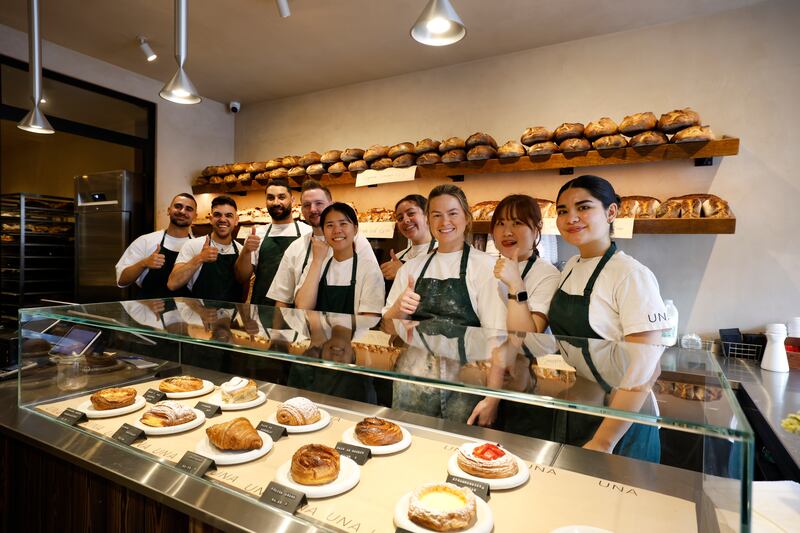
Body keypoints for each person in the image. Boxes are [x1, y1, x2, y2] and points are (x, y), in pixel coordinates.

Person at [548, 174, 669, 461]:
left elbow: (647, 369)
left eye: (584, 207)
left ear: (611, 212)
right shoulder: (571, 267)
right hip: (584, 405)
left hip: (622, 421)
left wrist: (604, 440)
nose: (571, 218)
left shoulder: (631, 274)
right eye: (563, 211)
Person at [383, 184, 506, 330]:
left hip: (469, 353)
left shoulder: (487, 267)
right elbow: (388, 328)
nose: (444, 222)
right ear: (428, 221)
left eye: (452, 213)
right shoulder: (411, 268)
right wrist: (399, 308)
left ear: (467, 218)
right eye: (436, 215)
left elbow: (496, 333)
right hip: (417, 352)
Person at [267, 179, 377, 306]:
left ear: (331, 205)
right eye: (307, 205)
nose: (313, 209)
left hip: (351, 324)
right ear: (301, 209)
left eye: (319, 203)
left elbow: (372, 287)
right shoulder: (296, 248)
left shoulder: (357, 242)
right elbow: (282, 299)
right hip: (303, 323)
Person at [294, 203, 385, 315]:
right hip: (316, 332)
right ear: (323, 231)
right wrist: (317, 261)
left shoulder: (370, 270)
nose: (337, 230)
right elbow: (303, 307)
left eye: (343, 224)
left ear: (355, 229)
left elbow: (369, 318)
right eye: (330, 225)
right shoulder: (316, 265)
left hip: (355, 332)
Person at [235, 178, 312, 305]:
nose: (276, 202)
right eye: (271, 198)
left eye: (282, 197)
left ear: (292, 200)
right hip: (262, 306)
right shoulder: (258, 233)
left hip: (296, 306)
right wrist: (246, 251)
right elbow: (241, 277)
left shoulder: (307, 232)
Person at [490, 194, 560, 333]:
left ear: (536, 228)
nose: (507, 232)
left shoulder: (548, 275)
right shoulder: (485, 266)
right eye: (501, 223)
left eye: (517, 223)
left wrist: (516, 284)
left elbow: (528, 337)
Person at [115, 193, 197, 298]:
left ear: (195, 216)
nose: (182, 211)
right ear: (169, 210)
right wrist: (144, 263)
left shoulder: (197, 247)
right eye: (178, 206)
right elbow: (122, 280)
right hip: (150, 312)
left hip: (184, 312)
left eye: (189, 209)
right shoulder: (146, 241)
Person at [168, 195, 244, 302]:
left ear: (236, 220)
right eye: (217, 215)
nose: (223, 219)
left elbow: (245, 288)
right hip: (199, 316)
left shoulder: (241, 251)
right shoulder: (193, 245)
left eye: (229, 215)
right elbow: (173, 283)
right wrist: (200, 258)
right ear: (211, 219)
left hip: (231, 317)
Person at [380, 194, 436, 282]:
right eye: (400, 218)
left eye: (411, 213)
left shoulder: (442, 253)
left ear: (427, 215)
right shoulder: (397, 258)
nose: (405, 220)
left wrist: (402, 272)